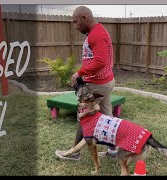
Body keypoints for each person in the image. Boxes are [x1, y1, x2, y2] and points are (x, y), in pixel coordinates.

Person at [55, 6, 116, 160]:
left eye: (76, 22)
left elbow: (100, 61)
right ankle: (114, 150)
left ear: (85, 17)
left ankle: (74, 153)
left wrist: (79, 73)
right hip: (104, 82)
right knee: (107, 117)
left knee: (84, 117)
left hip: (97, 84)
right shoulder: (96, 31)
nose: (76, 26)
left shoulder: (97, 34)